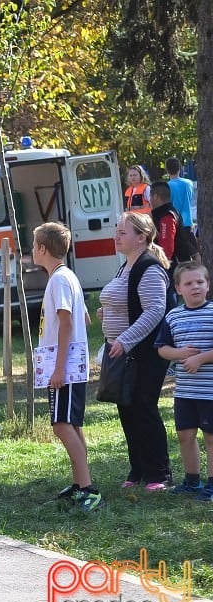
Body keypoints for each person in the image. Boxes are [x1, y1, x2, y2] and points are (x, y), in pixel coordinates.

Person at [96, 212, 173, 490]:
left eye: (122, 232)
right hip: (123, 352)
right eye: (117, 231)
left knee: (143, 407)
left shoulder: (149, 267)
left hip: (145, 352)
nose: (116, 236)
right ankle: (138, 469)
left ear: (141, 237)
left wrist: (126, 339)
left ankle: (159, 473)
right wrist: (107, 311)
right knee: (126, 408)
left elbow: (155, 310)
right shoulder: (125, 266)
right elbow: (128, 300)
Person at [32, 222, 100, 512]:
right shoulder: (67, 276)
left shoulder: (59, 280)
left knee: (61, 424)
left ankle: (88, 489)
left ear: (43, 249)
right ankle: (79, 483)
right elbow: (85, 319)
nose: (32, 250)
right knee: (71, 424)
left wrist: (58, 369)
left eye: (34, 245)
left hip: (65, 366)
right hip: (70, 363)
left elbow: (68, 322)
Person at [156, 262, 213, 501]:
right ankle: (192, 481)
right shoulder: (173, 316)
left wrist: (200, 358)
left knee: (211, 437)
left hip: (209, 392)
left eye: (199, 282)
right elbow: (162, 349)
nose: (195, 287)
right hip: (185, 392)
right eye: (188, 283)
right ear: (178, 289)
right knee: (185, 435)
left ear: (207, 285)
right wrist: (179, 355)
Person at [165, 157, 196, 233]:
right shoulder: (189, 183)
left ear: (167, 170)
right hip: (188, 221)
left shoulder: (167, 186)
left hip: (174, 221)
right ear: (179, 168)